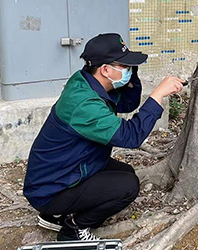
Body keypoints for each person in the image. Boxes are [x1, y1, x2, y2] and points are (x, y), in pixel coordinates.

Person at [23, 33, 184, 241]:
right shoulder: (85, 104)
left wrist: (131, 74)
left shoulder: (87, 82)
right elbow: (131, 137)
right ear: (106, 69)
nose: (129, 71)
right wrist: (158, 95)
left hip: (65, 170)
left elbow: (127, 103)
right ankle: (73, 228)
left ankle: (56, 216)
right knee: (127, 187)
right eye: (125, 66)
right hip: (50, 188)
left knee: (125, 172)